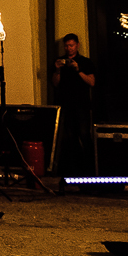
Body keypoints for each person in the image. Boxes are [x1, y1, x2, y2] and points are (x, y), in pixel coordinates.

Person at [50, 33, 95, 176]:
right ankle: (73, 168)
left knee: (84, 134)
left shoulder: (85, 62)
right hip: (65, 105)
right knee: (69, 137)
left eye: (71, 45)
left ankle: (90, 167)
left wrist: (78, 69)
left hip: (82, 105)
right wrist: (58, 69)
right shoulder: (59, 62)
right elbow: (55, 83)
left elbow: (91, 82)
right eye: (66, 46)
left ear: (77, 45)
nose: (69, 48)